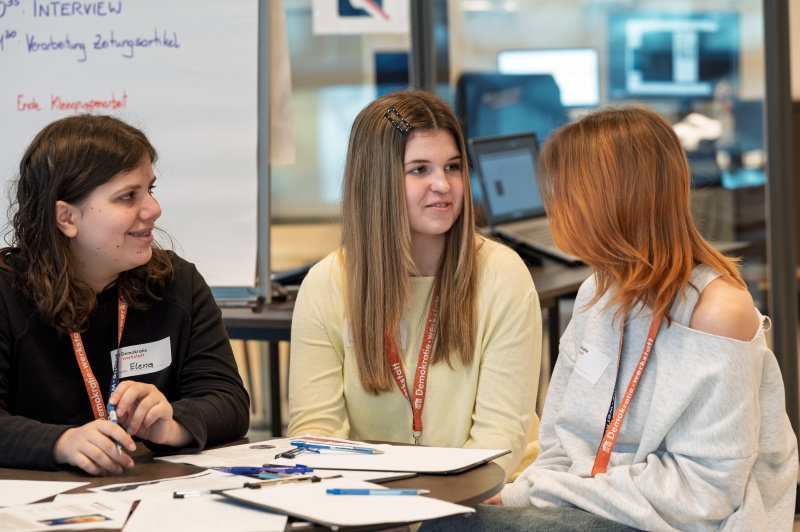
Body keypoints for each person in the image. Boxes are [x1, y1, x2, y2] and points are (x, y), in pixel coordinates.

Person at [420, 107, 798, 531]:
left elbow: (703, 493)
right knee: (450, 521)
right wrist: (524, 493)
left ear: (612, 202)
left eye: (564, 197)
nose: (554, 210)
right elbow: (564, 441)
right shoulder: (597, 293)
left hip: (681, 521)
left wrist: (541, 493)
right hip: (594, 505)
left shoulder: (718, 311)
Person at [286, 90, 542, 480]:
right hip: (371, 500)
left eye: (453, 167)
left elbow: (498, 442)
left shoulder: (501, 275)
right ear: (376, 181)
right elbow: (314, 436)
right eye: (420, 169)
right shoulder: (327, 284)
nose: (443, 184)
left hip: (488, 496)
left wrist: (417, 510)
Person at [0, 115, 250, 476]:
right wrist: (61, 443)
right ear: (66, 218)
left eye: (150, 189)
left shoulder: (177, 282)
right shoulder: (7, 292)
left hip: (149, 497)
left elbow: (229, 402)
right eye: (128, 196)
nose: (153, 209)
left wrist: (172, 422)